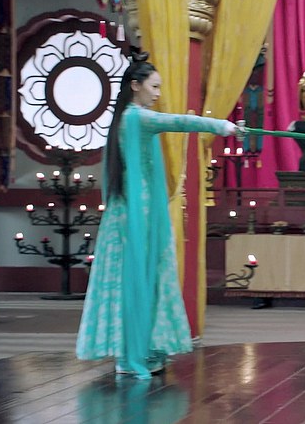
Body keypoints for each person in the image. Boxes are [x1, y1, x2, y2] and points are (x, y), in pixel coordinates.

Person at [76, 52, 240, 379]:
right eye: (153, 86)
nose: (157, 93)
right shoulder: (137, 118)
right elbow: (180, 122)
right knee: (138, 279)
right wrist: (223, 126)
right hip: (136, 215)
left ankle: (139, 350)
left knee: (135, 279)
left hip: (131, 211)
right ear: (135, 85)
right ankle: (132, 354)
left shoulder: (125, 118)